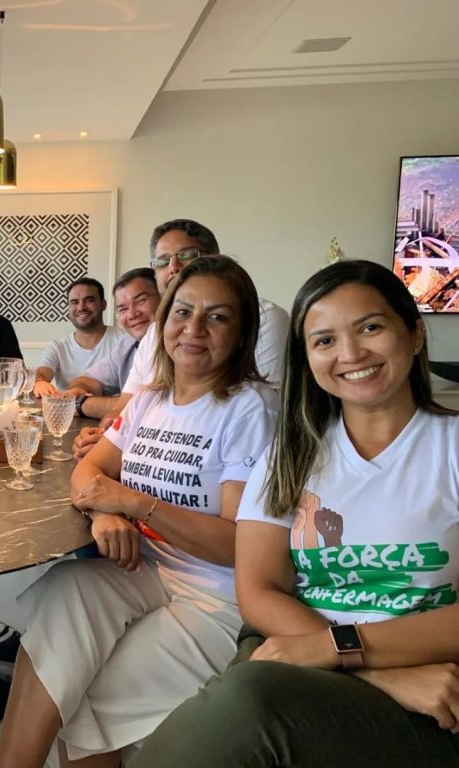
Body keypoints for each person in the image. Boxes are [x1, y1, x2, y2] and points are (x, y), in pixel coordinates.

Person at [131, 260, 459, 768]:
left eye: (370, 328)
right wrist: (365, 668)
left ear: (415, 334)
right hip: (292, 650)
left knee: (249, 706)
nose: (350, 353)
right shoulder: (290, 455)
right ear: (306, 358)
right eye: (324, 340)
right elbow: (260, 590)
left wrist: (335, 650)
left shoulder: (450, 447)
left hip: (430, 679)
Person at [0, 255, 277, 768]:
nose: (193, 328)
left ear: (242, 335)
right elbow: (89, 471)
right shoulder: (150, 400)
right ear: (165, 321)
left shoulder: (249, 409)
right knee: (65, 594)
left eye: (217, 317)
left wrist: (133, 503)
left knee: (87, 698)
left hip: (217, 597)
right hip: (146, 568)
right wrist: (102, 514)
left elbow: (238, 545)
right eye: (182, 312)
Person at [73, 219, 289, 456]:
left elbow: (266, 414)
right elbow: (127, 408)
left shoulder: (262, 317)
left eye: (187, 256)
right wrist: (106, 435)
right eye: (163, 262)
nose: (174, 267)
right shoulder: (155, 331)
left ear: (215, 260)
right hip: (146, 457)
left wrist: (121, 444)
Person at [62, 268, 160, 405]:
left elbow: (146, 406)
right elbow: (89, 380)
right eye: (123, 309)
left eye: (141, 300)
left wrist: (82, 405)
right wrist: (78, 390)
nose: (132, 314)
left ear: (165, 297)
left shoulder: (181, 345)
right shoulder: (127, 342)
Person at [33, 278, 128, 397]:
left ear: (103, 304)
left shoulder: (126, 340)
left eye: (89, 300)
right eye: (74, 302)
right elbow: (42, 373)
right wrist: (39, 381)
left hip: (115, 408)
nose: (81, 307)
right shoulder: (57, 347)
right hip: (69, 408)